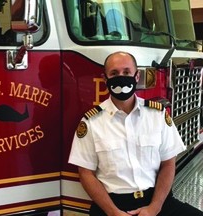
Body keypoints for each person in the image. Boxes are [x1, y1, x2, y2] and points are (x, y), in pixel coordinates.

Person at [68, 51, 203, 216]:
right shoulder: (91, 123)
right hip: (112, 206)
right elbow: (86, 174)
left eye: (126, 72)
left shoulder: (157, 115)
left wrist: (154, 208)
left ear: (137, 76)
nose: (121, 77)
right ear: (105, 79)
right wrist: (113, 212)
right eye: (114, 73)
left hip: (157, 201)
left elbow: (168, 164)